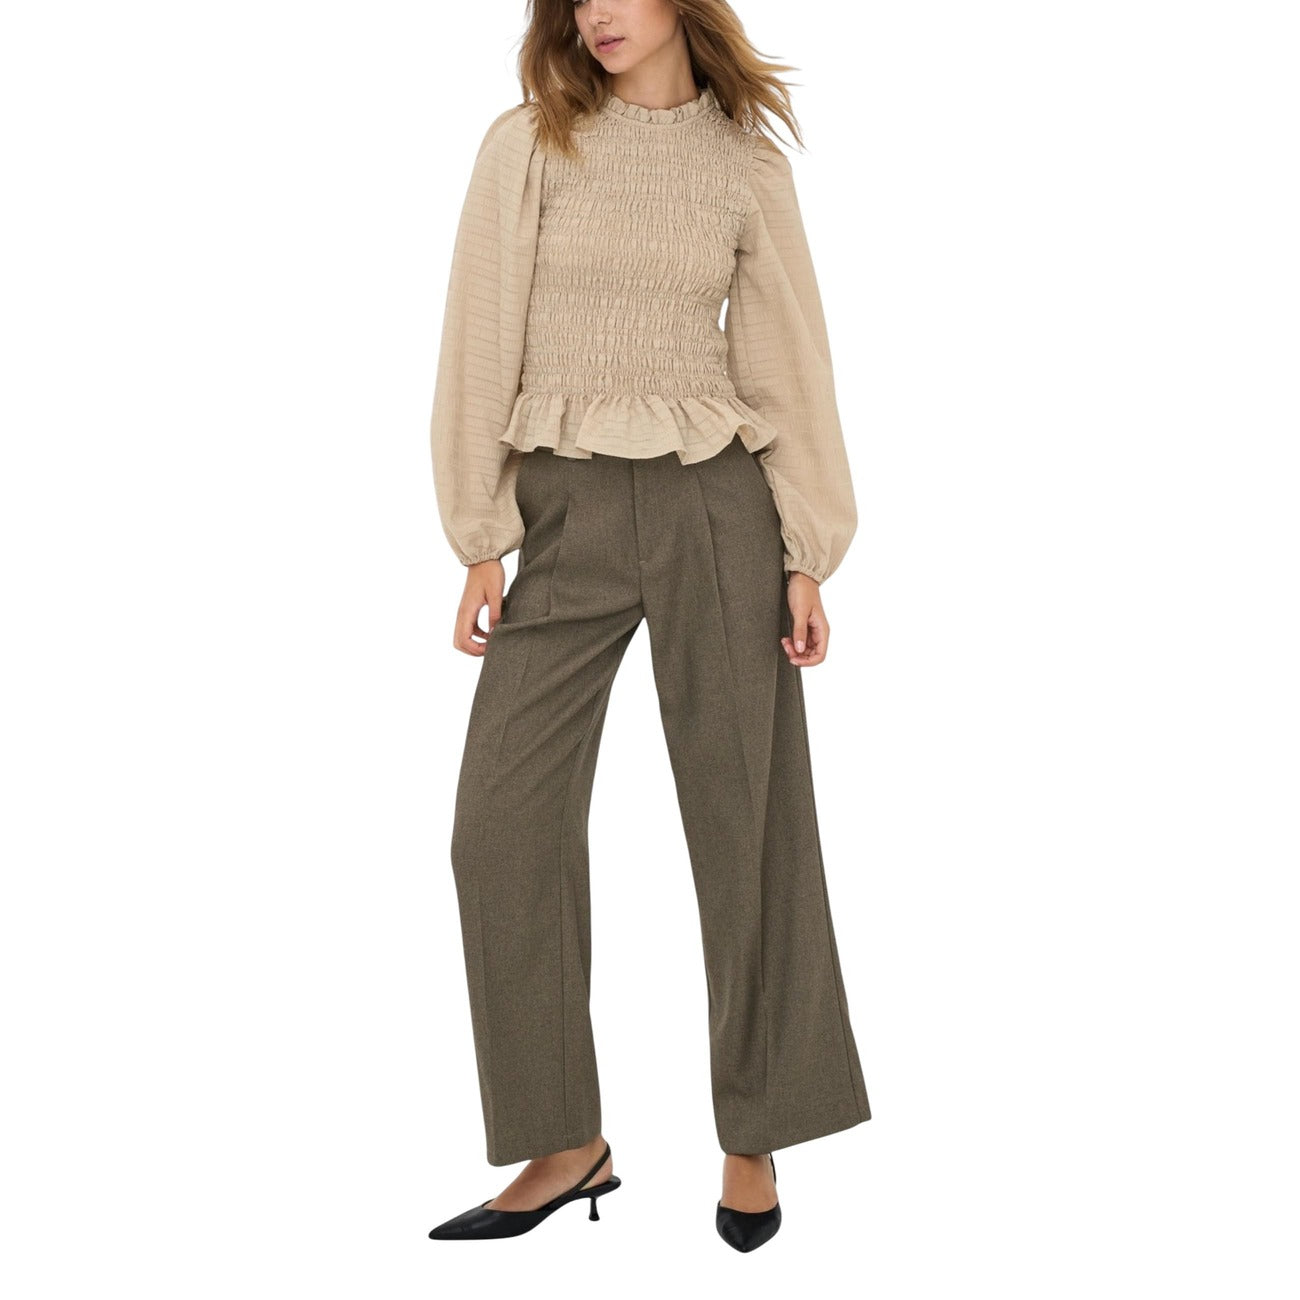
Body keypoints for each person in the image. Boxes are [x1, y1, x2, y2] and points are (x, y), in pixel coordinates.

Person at [425, 0, 871, 1251]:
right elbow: (477, 339)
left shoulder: (744, 164)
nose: (595, 13)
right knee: (498, 825)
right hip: (560, 509)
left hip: (713, 508)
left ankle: (754, 1134)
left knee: (748, 820)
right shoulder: (528, 142)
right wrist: (478, 533)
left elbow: (787, 360)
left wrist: (805, 551)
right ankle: (564, 1139)